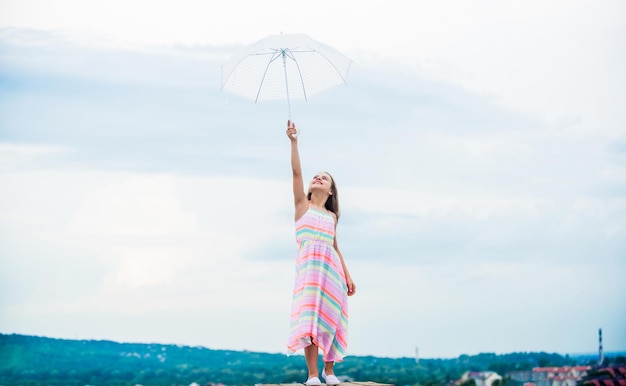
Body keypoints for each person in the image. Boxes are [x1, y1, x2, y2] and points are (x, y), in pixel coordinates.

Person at [285, 120, 356, 386]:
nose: (317, 178)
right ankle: (313, 375)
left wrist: (347, 275)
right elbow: (295, 173)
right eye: (316, 176)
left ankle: (329, 372)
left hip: (332, 275)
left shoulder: (332, 216)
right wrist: (294, 141)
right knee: (309, 321)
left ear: (330, 190)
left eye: (324, 178)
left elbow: (335, 246)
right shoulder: (302, 206)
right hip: (309, 276)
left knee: (332, 319)